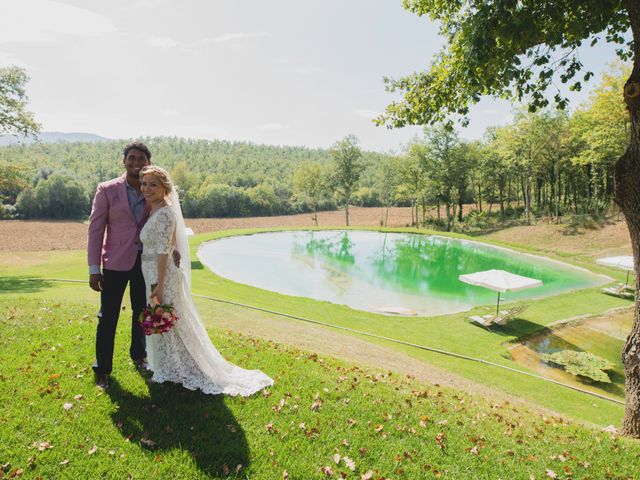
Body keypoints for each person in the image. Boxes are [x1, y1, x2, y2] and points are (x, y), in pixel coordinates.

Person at [139, 165, 273, 395]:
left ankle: (178, 369)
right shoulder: (155, 209)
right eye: (144, 183)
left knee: (169, 319)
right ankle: (169, 367)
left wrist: (158, 287)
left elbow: (162, 254)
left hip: (161, 275)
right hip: (151, 271)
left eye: (153, 184)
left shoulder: (165, 214)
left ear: (164, 188)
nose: (146, 189)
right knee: (167, 321)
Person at [87, 142, 153, 389]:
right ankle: (102, 369)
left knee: (141, 313)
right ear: (124, 161)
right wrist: (94, 268)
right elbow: (95, 230)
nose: (137, 163)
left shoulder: (154, 188)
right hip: (114, 263)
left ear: (148, 163)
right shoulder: (106, 190)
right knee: (108, 317)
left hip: (144, 263)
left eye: (142, 159)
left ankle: (139, 356)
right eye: (132, 158)